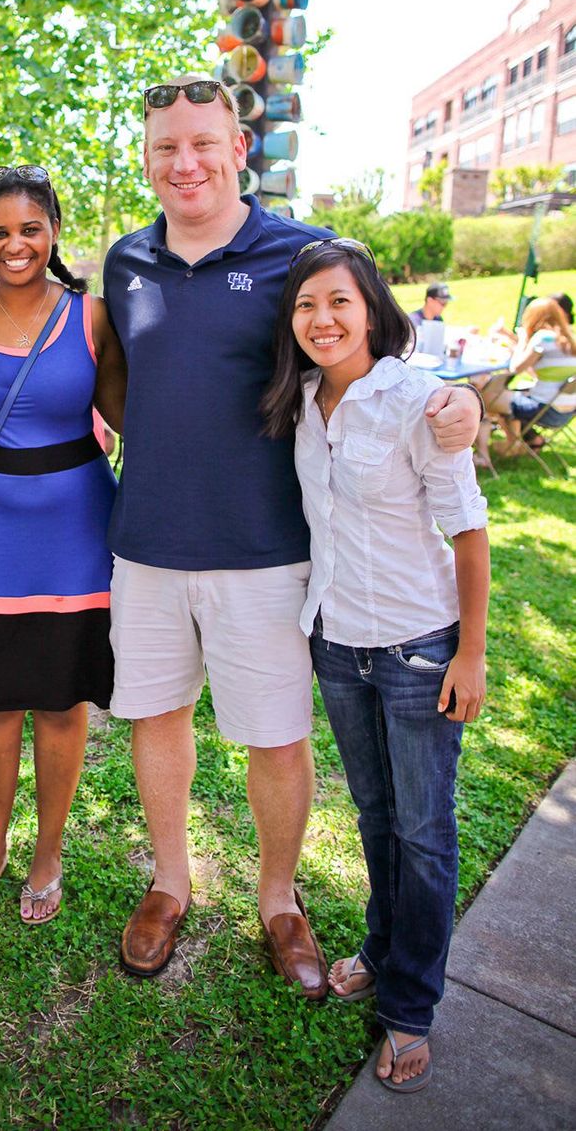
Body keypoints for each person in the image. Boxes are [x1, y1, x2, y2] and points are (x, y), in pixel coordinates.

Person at [102, 73, 483, 990]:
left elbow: (369, 340)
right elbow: (118, 376)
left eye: (203, 143)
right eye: (165, 148)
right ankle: (168, 882)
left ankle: (280, 899)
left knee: (275, 732)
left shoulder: (298, 251)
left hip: (269, 546)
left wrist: (453, 398)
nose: (184, 162)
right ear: (147, 160)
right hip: (147, 540)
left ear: (240, 148)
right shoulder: (125, 260)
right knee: (157, 718)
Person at [261, 236, 489, 1092]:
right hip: (338, 643)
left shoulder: (420, 401)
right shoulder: (306, 398)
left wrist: (470, 651)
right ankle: (380, 945)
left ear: (371, 308)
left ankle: (410, 1005)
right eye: (306, 305)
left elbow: (469, 531)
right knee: (374, 817)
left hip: (419, 645)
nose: (322, 319)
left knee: (425, 835)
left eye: (339, 302)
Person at [0, 164, 126, 925]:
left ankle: (49, 852)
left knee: (61, 706)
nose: (15, 244)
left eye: (29, 229)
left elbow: (136, 420)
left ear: (54, 231)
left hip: (77, 535)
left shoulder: (91, 317)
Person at [482, 297, 576, 448]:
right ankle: (519, 443)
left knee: (485, 397)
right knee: (510, 397)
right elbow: (536, 372)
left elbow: (515, 368)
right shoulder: (569, 339)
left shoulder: (543, 337)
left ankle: (510, 445)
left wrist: (524, 338)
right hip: (567, 412)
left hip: (545, 410)